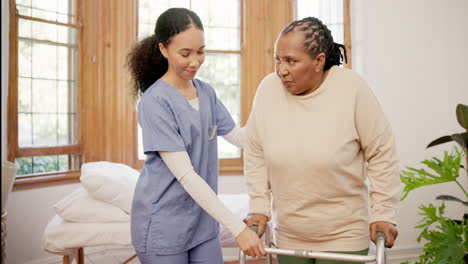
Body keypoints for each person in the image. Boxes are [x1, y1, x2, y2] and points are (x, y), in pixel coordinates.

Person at [243, 17, 400, 264]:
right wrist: (259, 207)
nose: (281, 69)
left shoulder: (351, 88)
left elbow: (381, 152)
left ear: (319, 61)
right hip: (289, 235)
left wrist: (383, 213)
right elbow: (255, 151)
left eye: (291, 61)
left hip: (343, 236)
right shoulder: (268, 90)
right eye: (278, 59)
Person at [127, 8, 265, 264]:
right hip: (163, 225)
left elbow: (241, 138)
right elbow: (187, 176)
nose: (195, 61)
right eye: (185, 53)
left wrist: (274, 109)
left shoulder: (207, 93)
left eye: (201, 51)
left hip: (202, 223)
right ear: (163, 49)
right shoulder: (155, 102)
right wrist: (238, 228)